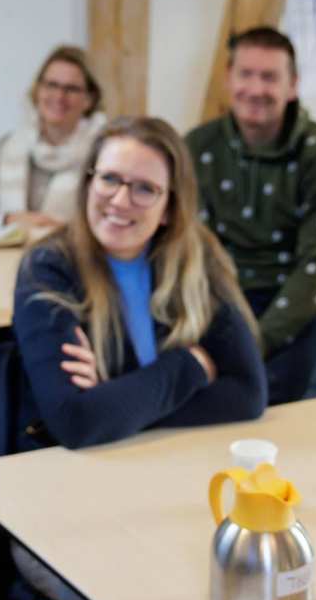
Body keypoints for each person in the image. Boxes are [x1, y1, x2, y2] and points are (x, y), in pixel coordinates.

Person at [14, 115, 267, 450]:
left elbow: (248, 395)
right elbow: (75, 421)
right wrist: (189, 368)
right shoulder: (48, 267)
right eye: (109, 179)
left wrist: (116, 401)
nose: (120, 201)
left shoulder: (196, 258)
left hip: (167, 459)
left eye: (145, 188)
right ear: (89, 182)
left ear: (168, 208)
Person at [186, 26, 316, 405]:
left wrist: (252, 344)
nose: (256, 89)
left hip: (303, 300)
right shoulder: (197, 147)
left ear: (293, 85)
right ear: (228, 79)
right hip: (224, 296)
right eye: (245, 74)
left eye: (270, 77)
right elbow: (191, 250)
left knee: (285, 408)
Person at [0, 44, 106, 237]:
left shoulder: (104, 154)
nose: (59, 96)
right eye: (51, 85)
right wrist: (11, 220)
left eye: (71, 89)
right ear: (37, 90)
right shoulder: (7, 146)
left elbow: (110, 223)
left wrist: (64, 230)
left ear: (89, 99)